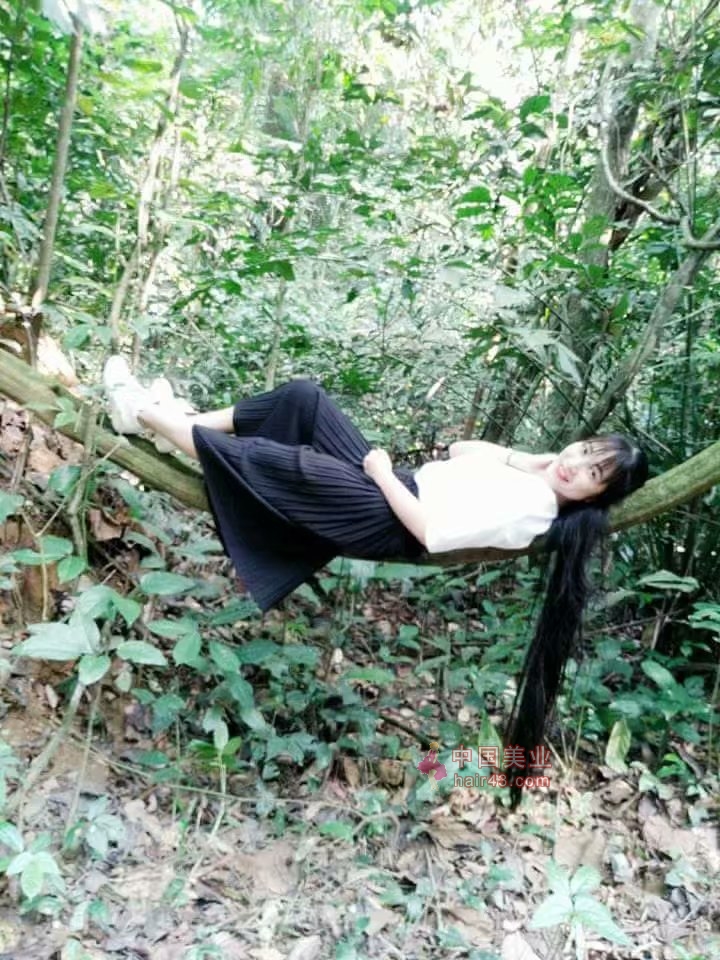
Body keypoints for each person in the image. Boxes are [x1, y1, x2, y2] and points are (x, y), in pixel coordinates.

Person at [104, 358, 649, 805]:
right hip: (396, 487)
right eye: (586, 451)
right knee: (303, 400)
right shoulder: (534, 477)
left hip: (387, 514)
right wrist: (529, 459)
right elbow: (460, 454)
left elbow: (431, 533)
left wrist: (382, 475)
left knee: (274, 461)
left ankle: (142, 412)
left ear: (598, 497)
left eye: (594, 473)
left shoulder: (535, 509)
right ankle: (176, 420)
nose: (577, 465)